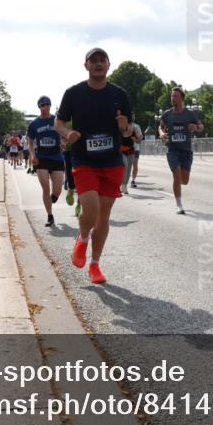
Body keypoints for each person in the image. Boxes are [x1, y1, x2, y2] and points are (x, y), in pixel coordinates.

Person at [55, 47, 134, 285]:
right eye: (94, 60)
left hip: (111, 161)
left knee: (104, 216)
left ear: (108, 65)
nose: (98, 64)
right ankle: (82, 237)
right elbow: (59, 121)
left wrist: (124, 126)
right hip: (84, 160)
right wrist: (68, 132)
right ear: (86, 65)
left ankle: (95, 264)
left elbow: (130, 129)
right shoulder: (74, 93)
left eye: (102, 60)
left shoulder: (119, 94)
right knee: (90, 210)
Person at [160, 88, 204, 214]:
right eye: (172, 96)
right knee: (176, 175)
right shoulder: (167, 114)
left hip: (186, 150)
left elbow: (201, 127)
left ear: (182, 98)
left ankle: (178, 185)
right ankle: (179, 205)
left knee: (184, 180)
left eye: (175, 96)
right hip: (172, 149)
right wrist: (162, 133)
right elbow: (160, 126)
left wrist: (196, 127)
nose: (173, 98)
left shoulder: (190, 114)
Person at [28, 96, 65, 227]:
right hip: (42, 158)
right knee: (45, 188)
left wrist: (63, 143)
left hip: (57, 157)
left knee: (58, 190)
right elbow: (30, 143)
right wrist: (32, 155)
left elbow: (64, 135)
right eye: (42, 105)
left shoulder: (57, 120)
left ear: (50, 105)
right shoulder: (34, 124)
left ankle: (54, 197)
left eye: (47, 105)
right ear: (39, 107)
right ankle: (50, 216)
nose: (45, 107)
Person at [119, 112, 137, 194]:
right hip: (121, 150)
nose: (132, 118)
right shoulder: (120, 126)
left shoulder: (133, 127)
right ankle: (120, 183)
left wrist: (137, 139)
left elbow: (137, 139)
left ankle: (124, 185)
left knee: (129, 168)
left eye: (133, 116)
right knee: (125, 165)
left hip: (130, 150)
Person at [130, 117, 143, 187]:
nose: (133, 117)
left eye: (134, 115)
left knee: (135, 165)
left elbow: (140, 139)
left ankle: (133, 180)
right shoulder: (123, 126)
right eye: (131, 115)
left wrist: (136, 139)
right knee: (125, 166)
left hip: (135, 149)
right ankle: (123, 182)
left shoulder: (137, 126)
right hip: (125, 149)